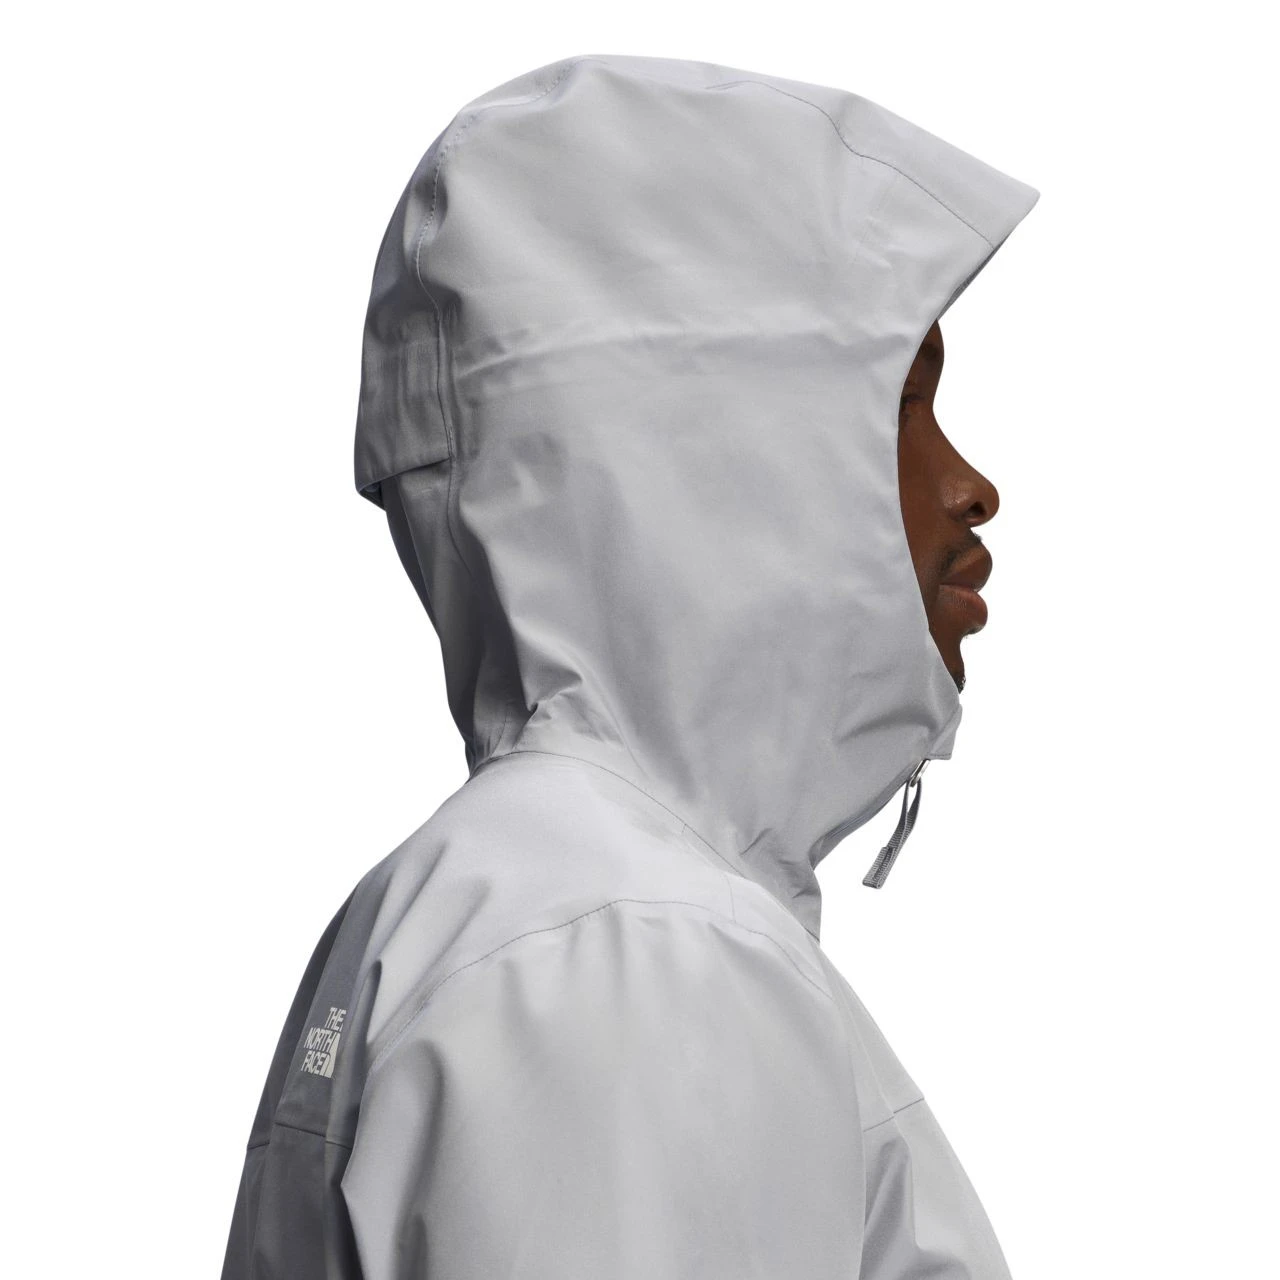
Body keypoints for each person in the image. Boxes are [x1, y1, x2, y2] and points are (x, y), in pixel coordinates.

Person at [220, 53, 1038, 1279]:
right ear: (722, 449)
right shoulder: (632, 949)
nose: (972, 486)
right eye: (900, 405)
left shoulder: (506, 898)